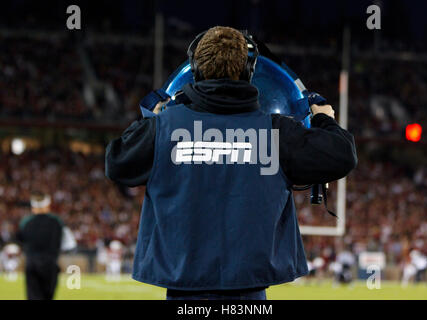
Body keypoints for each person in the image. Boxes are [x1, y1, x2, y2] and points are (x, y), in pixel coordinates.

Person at [105, 26, 357, 300]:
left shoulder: (164, 129)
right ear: (249, 70)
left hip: (183, 294)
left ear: (196, 69)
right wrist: (323, 117)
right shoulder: (275, 132)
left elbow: (117, 162)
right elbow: (343, 155)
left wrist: (150, 120)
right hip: (249, 294)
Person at [16, 192, 72, 300]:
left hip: (31, 263)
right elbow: (69, 244)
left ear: (33, 206)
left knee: (33, 296)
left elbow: (19, 241)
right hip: (50, 263)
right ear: (47, 205)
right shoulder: (57, 222)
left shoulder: (26, 222)